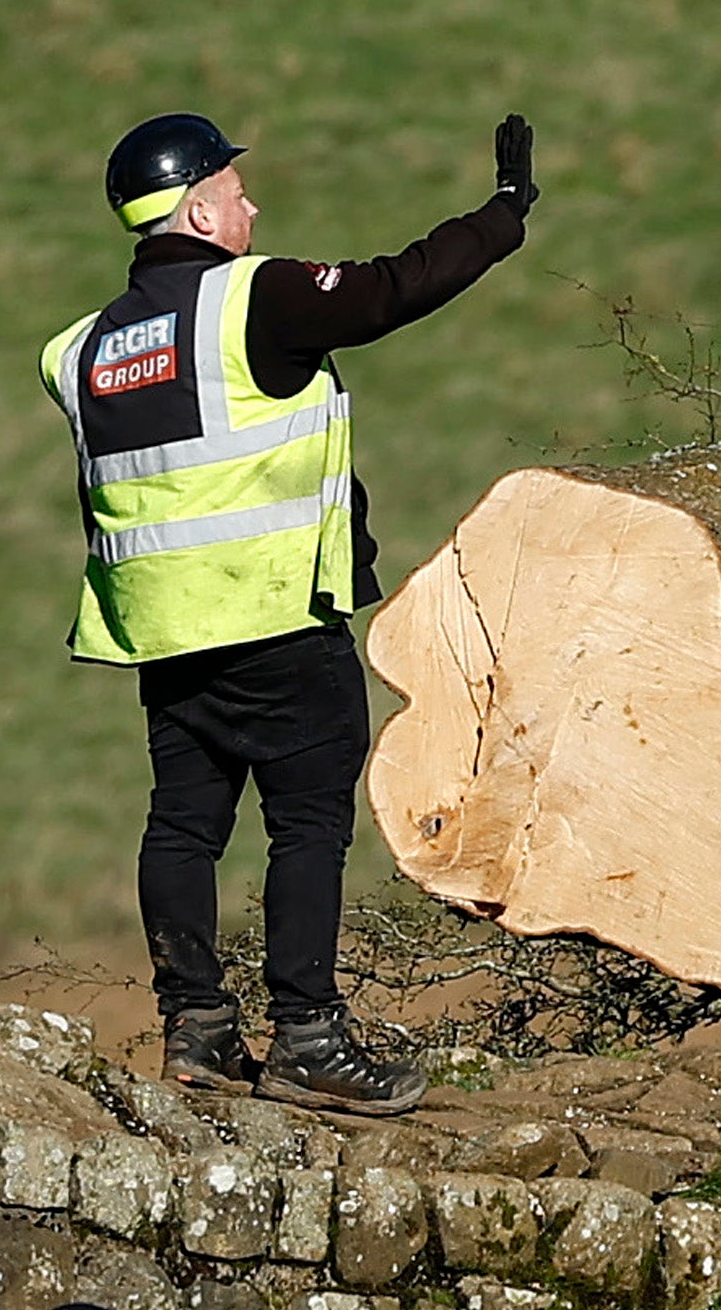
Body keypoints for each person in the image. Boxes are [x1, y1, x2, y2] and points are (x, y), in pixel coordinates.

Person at [36, 111, 539, 1115]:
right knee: (308, 826)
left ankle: (198, 1029)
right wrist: (504, 215)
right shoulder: (250, 300)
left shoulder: (77, 351)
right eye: (233, 189)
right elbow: (394, 287)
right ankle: (308, 1034)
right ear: (196, 208)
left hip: (165, 637)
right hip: (274, 620)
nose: (251, 206)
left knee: (183, 826)